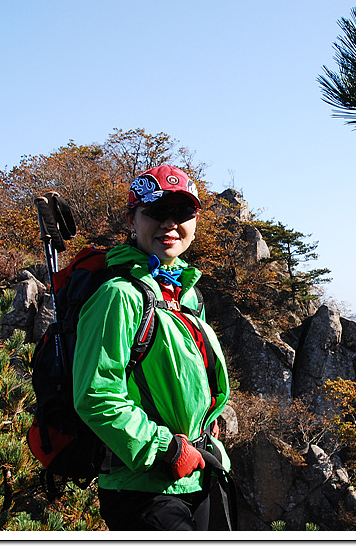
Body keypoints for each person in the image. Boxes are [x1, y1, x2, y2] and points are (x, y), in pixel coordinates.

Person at [72, 165, 231, 531]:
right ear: (132, 219)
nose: (169, 223)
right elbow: (96, 396)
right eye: (157, 212)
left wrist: (206, 422)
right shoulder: (118, 295)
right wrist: (165, 448)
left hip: (199, 473)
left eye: (182, 214)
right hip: (143, 488)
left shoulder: (187, 295)